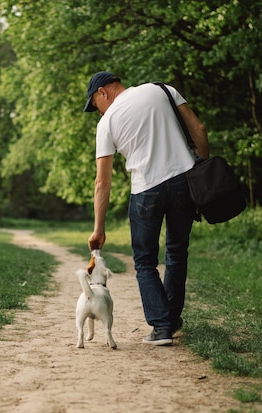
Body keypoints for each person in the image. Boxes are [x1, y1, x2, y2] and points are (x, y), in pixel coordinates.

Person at [83, 71, 209, 346]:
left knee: (144, 261)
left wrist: (98, 229)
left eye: (95, 105)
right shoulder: (162, 90)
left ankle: (162, 327)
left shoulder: (107, 123)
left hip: (146, 191)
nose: (97, 112)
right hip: (183, 182)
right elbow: (199, 130)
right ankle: (170, 319)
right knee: (176, 251)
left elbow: (102, 182)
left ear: (103, 92)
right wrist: (201, 169)